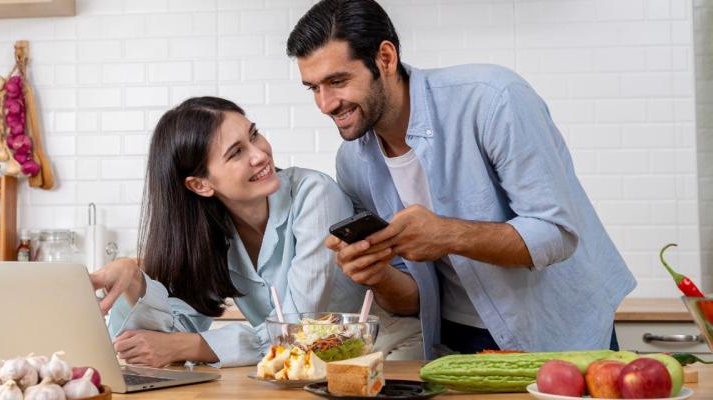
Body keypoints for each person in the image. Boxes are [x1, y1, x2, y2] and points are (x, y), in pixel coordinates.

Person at [286, 0, 637, 359]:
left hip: (556, 329)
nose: (326, 104)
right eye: (313, 88)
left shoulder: (493, 99)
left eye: (338, 81)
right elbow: (413, 300)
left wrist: (446, 234)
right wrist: (376, 274)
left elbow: (556, 234)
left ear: (386, 59)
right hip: (456, 340)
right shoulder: (352, 162)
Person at [89, 96, 368, 367]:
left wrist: (188, 346)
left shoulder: (315, 194)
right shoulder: (208, 232)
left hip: (368, 361)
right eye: (236, 152)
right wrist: (135, 281)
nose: (260, 155)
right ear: (200, 185)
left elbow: (294, 330)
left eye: (254, 135)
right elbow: (170, 334)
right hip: (293, 374)